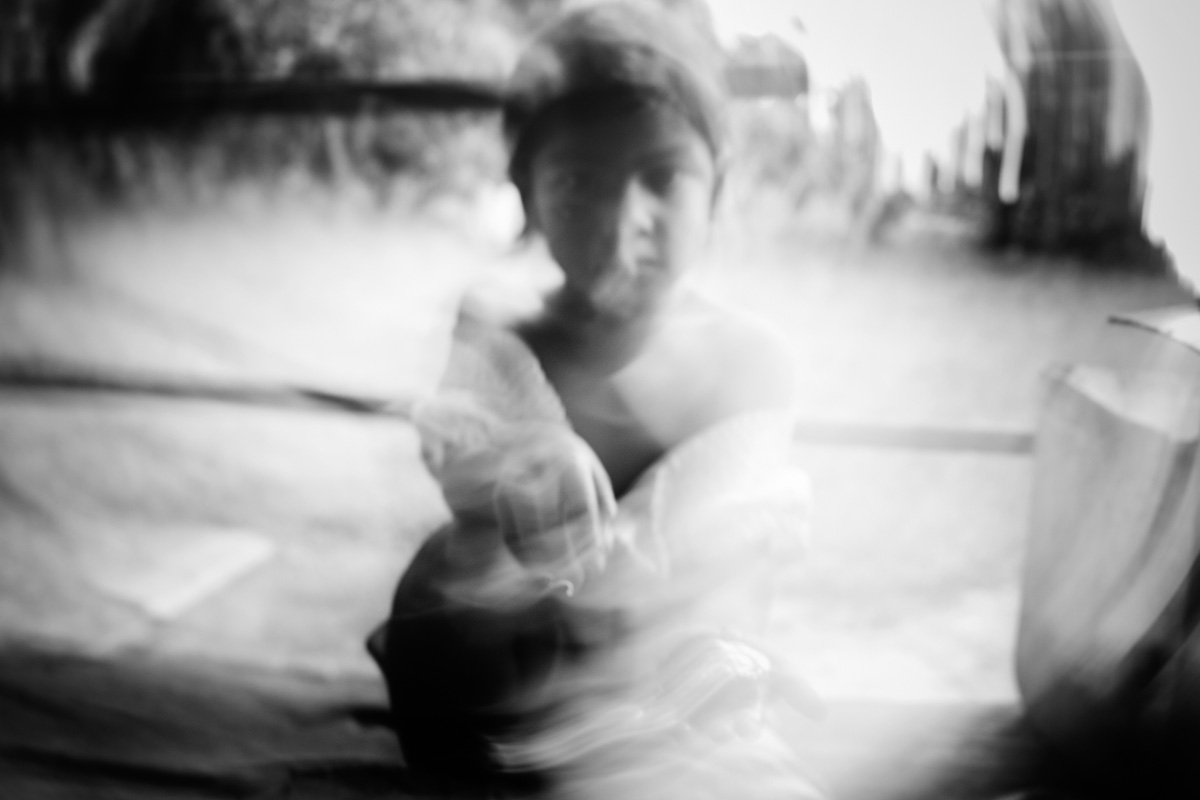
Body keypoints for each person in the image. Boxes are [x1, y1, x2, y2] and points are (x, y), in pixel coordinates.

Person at [369, 3, 823, 796]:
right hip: (504, 701)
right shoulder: (494, 326)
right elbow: (459, 463)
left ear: (716, 188)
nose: (623, 224)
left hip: (675, 684)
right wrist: (524, 464)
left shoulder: (752, 361)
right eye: (580, 182)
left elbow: (727, 567)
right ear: (527, 194)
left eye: (664, 179)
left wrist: (682, 642)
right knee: (446, 569)